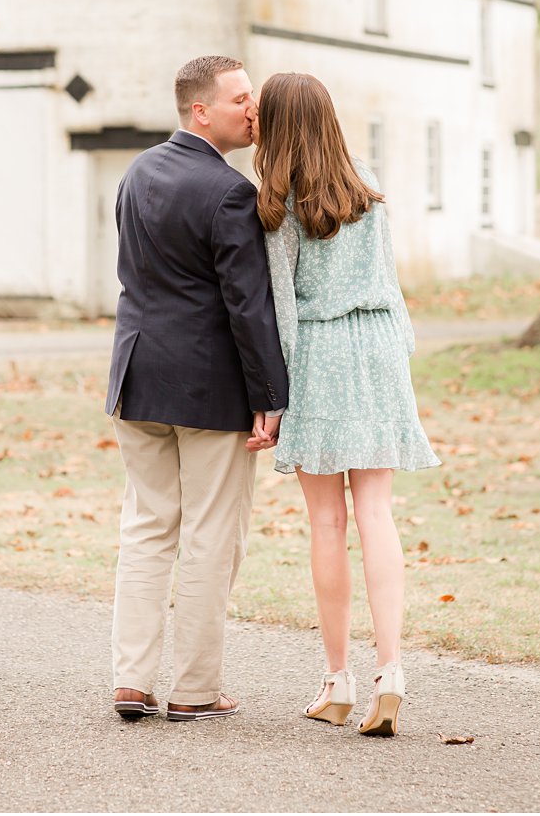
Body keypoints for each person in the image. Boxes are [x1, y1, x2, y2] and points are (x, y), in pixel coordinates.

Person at [249, 71, 439, 737]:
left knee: (328, 522)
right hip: (381, 346)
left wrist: (273, 399)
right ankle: (391, 670)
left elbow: (281, 306)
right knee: (377, 512)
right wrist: (398, 354)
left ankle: (337, 682)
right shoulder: (365, 186)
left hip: (321, 351)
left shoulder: (278, 201)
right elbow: (390, 280)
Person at [105, 54, 289, 722]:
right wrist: (270, 393)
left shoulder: (136, 172)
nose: (254, 109)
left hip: (135, 373)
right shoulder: (231, 192)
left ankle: (131, 678)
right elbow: (248, 304)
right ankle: (193, 687)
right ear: (200, 110)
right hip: (209, 387)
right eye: (241, 98)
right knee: (213, 533)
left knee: (147, 527)